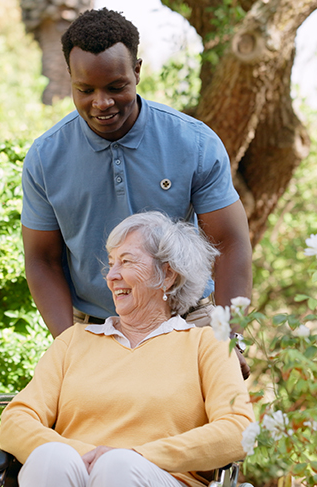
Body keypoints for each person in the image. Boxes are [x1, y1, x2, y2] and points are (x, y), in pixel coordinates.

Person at [20, 8, 253, 359]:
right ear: (69, 77)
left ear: (137, 71)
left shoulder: (194, 143)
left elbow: (230, 243)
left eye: (116, 87)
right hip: (94, 329)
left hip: (189, 321)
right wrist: (67, 345)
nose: (102, 103)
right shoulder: (44, 158)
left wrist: (232, 340)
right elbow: (42, 260)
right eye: (85, 90)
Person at [0, 212, 254, 487]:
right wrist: (83, 455)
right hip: (76, 477)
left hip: (165, 484)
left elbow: (238, 428)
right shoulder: (73, 342)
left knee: (117, 467)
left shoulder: (207, 345)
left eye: (126, 261)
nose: (111, 276)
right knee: (50, 460)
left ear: (167, 275)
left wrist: (137, 455)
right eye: (110, 264)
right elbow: (15, 420)